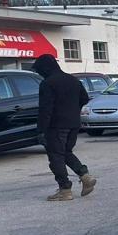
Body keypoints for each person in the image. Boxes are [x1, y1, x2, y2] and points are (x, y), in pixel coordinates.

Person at [30, 54, 96, 201]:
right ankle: (85, 176)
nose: (39, 73)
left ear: (45, 68)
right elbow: (84, 99)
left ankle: (64, 190)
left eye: (39, 70)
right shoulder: (73, 80)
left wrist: (41, 130)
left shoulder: (48, 83)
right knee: (66, 152)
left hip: (56, 126)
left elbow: (45, 109)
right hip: (73, 124)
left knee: (55, 157)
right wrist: (72, 110)